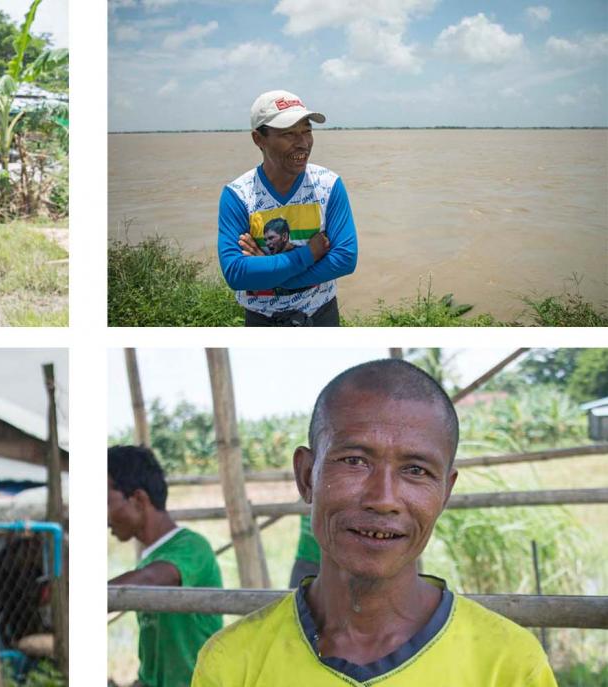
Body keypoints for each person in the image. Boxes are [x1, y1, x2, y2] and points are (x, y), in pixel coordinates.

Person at [192, 360, 557, 686]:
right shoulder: (232, 664)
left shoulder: (509, 666)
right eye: (354, 461)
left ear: (445, 493)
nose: (382, 499)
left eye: (416, 471)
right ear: (306, 476)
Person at [217, 90, 358, 326]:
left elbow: (345, 258)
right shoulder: (238, 195)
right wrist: (309, 254)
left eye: (306, 131)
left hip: (321, 316)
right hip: (261, 321)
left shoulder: (328, 185)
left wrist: (275, 276)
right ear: (259, 139)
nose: (302, 143)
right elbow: (237, 273)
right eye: (288, 134)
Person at [108, 445, 223, 687]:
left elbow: (149, 581)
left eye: (106, 501)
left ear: (138, 499)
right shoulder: (149, 561)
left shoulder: (192, 547)